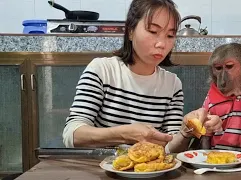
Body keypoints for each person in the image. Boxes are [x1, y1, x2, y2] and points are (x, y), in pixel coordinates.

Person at [62, 0, 222, 153]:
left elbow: (170, 148)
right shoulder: (103, 70)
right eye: (153, 32)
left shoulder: (172, 84)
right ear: (130, 31)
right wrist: (123, 134)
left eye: (170, 35)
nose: (162, 44)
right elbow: (72, 134)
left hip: (151, 170)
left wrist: (187, 130)